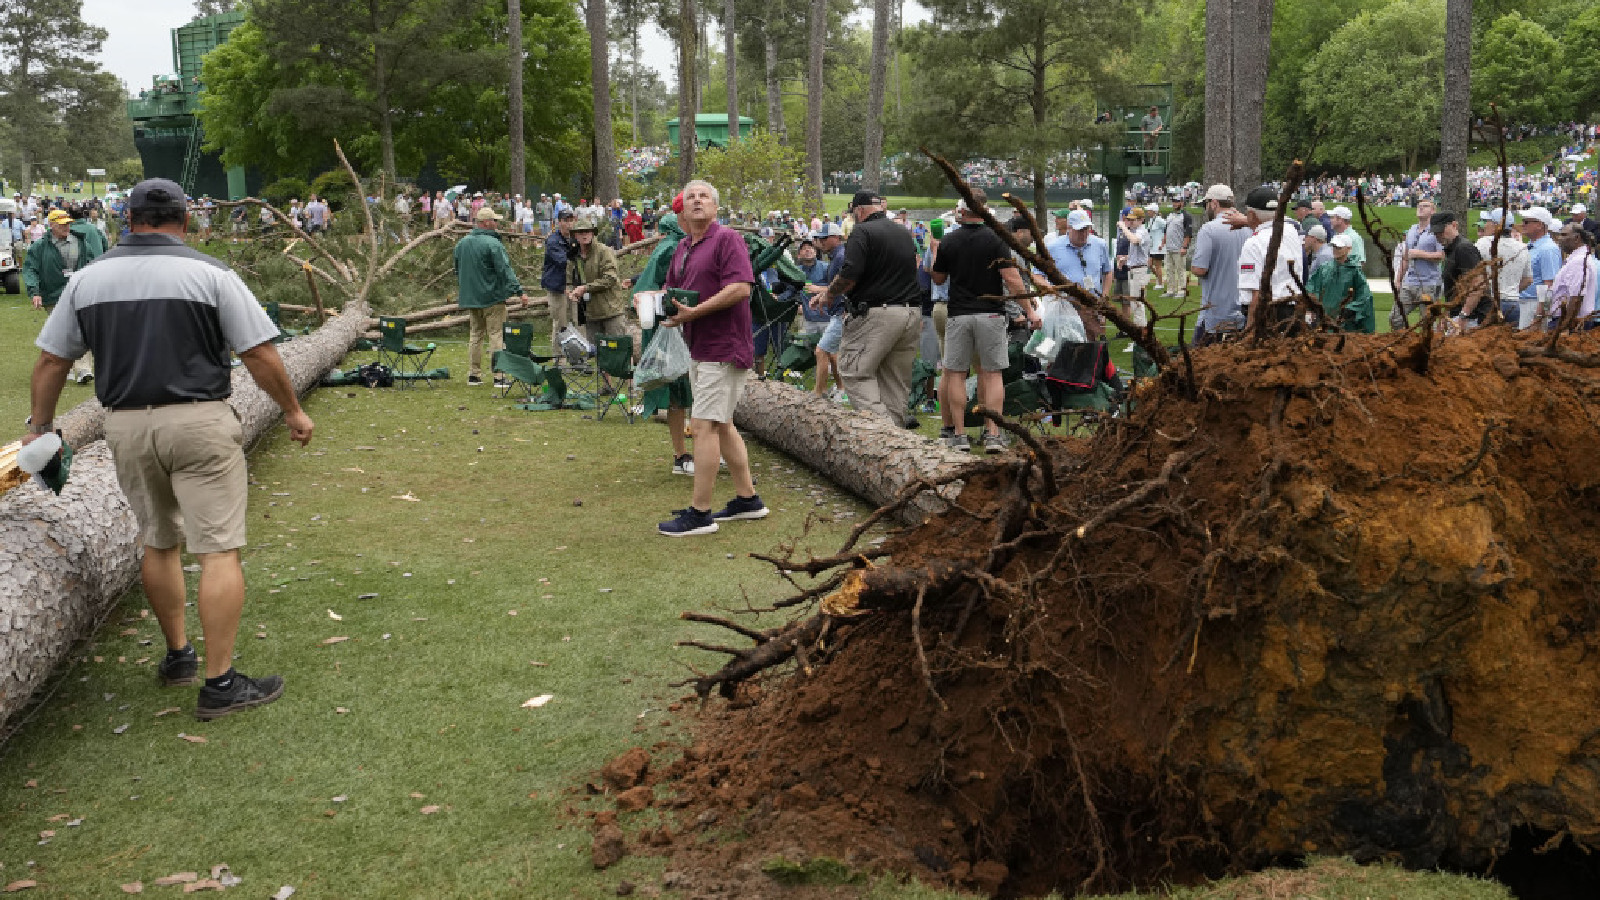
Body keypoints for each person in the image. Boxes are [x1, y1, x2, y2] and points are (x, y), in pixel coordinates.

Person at [25, 178, 312, 720]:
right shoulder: (211, 275)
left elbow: (51, 362)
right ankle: (221, 684)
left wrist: (41, 427)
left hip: (126, 425)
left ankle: (178, 656)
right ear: (186, 220)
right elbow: (259, 354)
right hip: (201, 422)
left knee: (158, 543)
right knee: (218, 549)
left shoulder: (87, 280)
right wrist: (293, 411)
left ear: (127, 219)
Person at [656, 179, 766, 537]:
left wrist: (695, 313)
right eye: (690, 197)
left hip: (725, 347)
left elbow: (740, 289)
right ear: (682, 210)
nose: (697, 201)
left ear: (716, 207)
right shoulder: (683, 247)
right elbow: (672, 291)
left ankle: (700, 513)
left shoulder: (728, 240)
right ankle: (748, 499)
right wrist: (657, 303)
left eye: (704, 196)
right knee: (722, 423)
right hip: (698, 347)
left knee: (703, 426)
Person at [932, 190, 1032, 453]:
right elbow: (1012, 278)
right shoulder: (996, 239)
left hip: (959, 313)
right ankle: (993, 434)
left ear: (962, 212)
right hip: (991, 313)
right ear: (984, 211)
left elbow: (938, 279)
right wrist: (1030, 311)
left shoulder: (950, 240)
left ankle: (960, 434)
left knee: (955, 373)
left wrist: (934, 250)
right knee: (992, 373)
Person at [814, 191, 925, 428]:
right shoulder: (904, 233)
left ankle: (884, 432)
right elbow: (916, 267)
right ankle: (897, 440)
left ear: (859, 210)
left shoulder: (861, 232)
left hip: (877, 313)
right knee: (895, 379)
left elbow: (850, 276)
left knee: (854, 371)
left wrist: (829, 294)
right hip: (910, 312)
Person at [632, 211, 696, 475]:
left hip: (666, 329)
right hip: (674, 330)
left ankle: (692, 452)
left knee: (681, 393)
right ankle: (683, 455)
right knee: (682, 392)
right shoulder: (674, 249)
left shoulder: (667, 247)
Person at [25, 208, 103, 383]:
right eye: (62, 225)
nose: (66, 227)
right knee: (60, 331)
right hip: (53, 294)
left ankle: (83, 369)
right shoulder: (39, 246)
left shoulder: (80, 242)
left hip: (78, 292)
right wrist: (34, 292)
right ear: (51, 226)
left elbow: (91, 263)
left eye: (68, 224)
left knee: (82, 328)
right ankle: (65, 368)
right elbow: (30, 269)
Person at [453, 206, 528, 386]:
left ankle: (474, 375)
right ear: (486, 223)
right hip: (492, 298)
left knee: (475, 335)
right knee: (496, 336)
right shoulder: (493, 244)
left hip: (471, 299)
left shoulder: (461, 244)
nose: (497, 223)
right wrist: (519, 291)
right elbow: (505, 271)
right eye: (494, 220)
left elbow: (457, 270)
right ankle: (499, 376)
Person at [1235, 186, 1304, 333]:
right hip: (1294, 313)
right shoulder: (1292, 231)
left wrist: (1249, 331)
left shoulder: (1253, 244)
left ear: (1252, 215)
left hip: (1267, 315)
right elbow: (1278, 221)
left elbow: (1257, 294)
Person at [1189, 184, 1250, 345]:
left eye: (1206, 204)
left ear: (1214, 203)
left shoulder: (1209, 229)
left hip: (1216, 313)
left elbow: (1200, 269)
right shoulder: (1248, 227)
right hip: (1244, 310)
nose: (1206, 209)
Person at [567, 214, 627, 342]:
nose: (585, 235)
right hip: (591, 313)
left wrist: (585, 288)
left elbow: (610, 279)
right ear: (575, 235)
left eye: (588, 231)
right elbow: (571, 279)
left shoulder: (603, 251)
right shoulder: (575, 256)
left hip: (611, 311)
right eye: (580, 232)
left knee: (617, 351)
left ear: (593, 233)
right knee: (597, 354)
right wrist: (572, 292)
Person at [808, 223, 848, 399]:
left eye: (825, 238)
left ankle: (820, 392)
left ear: (836, 238)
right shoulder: (835, 257)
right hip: (838, 311)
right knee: (832, 352)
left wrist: (826, 296)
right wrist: (822, 297)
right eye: (819, 238)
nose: (821, 242)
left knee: (821, 350)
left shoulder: (841, 256)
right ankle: (841, 390)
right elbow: (834, 288)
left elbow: (846, 285)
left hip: (843, 312)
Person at [1306, 233, 1375, 332]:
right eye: (1334, 246)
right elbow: (1312, 286)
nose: (1335, 249)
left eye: (1338, 247)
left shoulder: (1355, 271)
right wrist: (1312, 305)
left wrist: (1350, 309)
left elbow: (1365, 296)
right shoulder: (1324, 268)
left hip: (1345, 324)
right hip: (1324, 320)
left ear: (1348, 249)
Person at [1392, 199, 1444, 330]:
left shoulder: (1436, 230)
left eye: (1425, 206)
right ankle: (1406, 342)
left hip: (1429, 284)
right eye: (1419, 206)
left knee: (1427, 322)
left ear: (1433, 211)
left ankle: (1427, 348)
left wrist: (1420, 254)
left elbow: (1441, 255)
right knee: (1395, 317)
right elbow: (1405, 258)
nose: (1420, 208)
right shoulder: (1411, 230)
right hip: (1409, 282)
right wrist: (1398, 280)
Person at [1474, 209, 1531, 323]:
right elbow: (1528, 280)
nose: (1486, 225)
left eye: (1488, 222)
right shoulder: (1522, 248)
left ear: (1495, 224)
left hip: (1490, 302)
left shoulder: (1483, 243)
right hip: (1512, 303)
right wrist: (1512, 291)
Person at [1045, 209, 1113, 298]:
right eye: (1080, 230)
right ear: (1069, 228)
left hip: (1094, 305)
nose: (1084, 234)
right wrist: (1052, 291)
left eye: (1087, 229)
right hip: (1065, 304)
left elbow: (1107, 272)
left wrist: (1105, 296)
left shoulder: (1100, 244)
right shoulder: (1053, 247)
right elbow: (1037, 275)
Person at [1432, 213, 1486, 324]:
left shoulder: (1463, 248)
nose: (1438, 235)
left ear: (1454, 225)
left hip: (1472, 317)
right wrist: (1447, 315)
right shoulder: (1451, 250)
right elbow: (1453, 290)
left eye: (1441, 230)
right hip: (1459, 314)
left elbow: (1478, 284)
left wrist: (1464, 315)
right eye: (1435, 232)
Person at [1519, 206, 1563, 329]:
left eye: (1526, 222)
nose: (1522, 224)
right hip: (1525, 303)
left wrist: (1540, 315)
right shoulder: (1532, 245)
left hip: (1534, 305)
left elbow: (1549, 285)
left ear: (1539, 225)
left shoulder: (1548, 249)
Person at [1548, 223, 1599, 327]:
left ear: (1576, 238)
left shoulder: (1579, 261)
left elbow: (1576, 298)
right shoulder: (1577, 259)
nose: (1559, 238)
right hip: (1569, 320)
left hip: (1570, 322)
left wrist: (1566, 326)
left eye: (1564, 235)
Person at [541, 208, 577, 338]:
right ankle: (559, 357)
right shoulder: (553, 241)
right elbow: (564, 261)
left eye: (571, 220)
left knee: (579, 321)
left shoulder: (575, 239)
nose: (569, 224)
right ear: (559, 222)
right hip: (557, 287)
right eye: (565, 221)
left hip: (574, 286)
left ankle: (579, 355)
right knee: (560, 324)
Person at [1162, 200, 1193, 297]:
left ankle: (1181, 290)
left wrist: (1184, 247)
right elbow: (1166, 231)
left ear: (1182, 203)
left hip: (1179, 248)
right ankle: (1170, 290)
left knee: (1180, 270)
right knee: (1169, 270)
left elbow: (1188, 233)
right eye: (1174, 202)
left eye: (1177, 202)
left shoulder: (1186, 216)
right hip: (1169, 248)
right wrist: (1163, 242)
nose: (1175, 204)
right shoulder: (1170, 215)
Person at [1145, 203, 1166, 285]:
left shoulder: (1159, 220)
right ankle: (1160, 279)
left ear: (1153, 211)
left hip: (1158, 247)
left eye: (1149, 210)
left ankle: (1160, 284)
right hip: (1152, 247)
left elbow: (1167, 227)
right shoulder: (1151, 220)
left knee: (1158, 266)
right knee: (1149, 265)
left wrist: (1163, 242)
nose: (1147, 212)